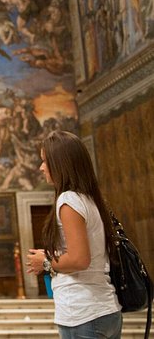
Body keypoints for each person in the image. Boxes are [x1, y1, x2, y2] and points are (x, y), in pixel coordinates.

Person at [26, 131, 122, 339]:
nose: (41, 167)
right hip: (101, 310)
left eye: (45, 161)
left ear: (61, 163)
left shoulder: (69, 200)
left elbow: (79, 259)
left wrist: (46, 262)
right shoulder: (87, 198)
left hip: (84, 313)